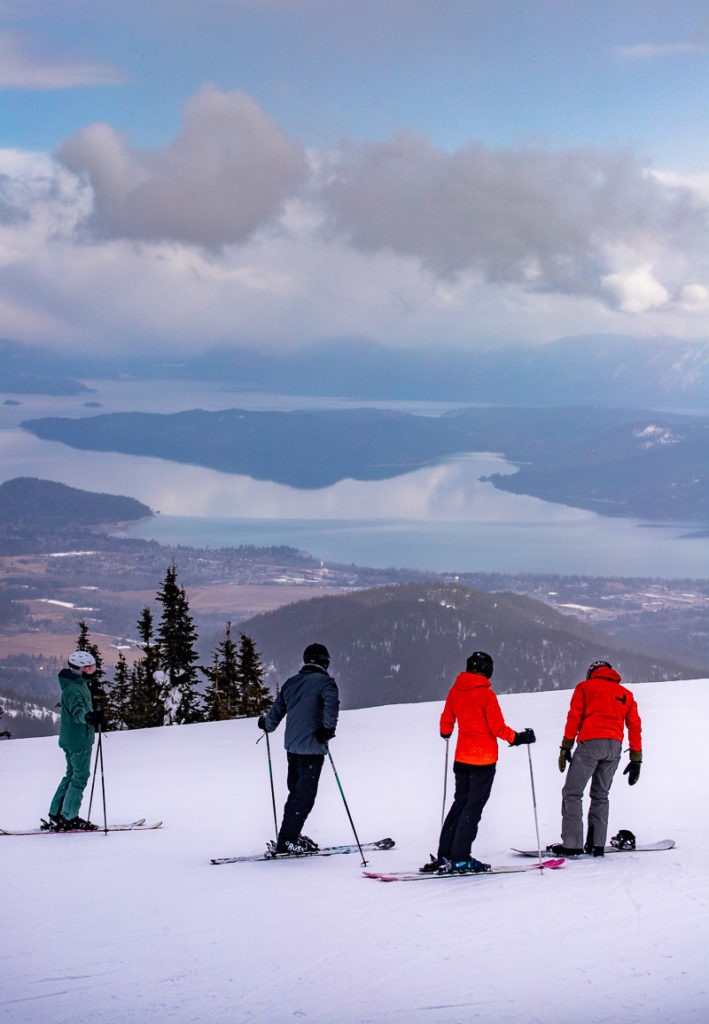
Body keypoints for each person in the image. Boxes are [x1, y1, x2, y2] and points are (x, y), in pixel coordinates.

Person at [421, 651, 536, 874]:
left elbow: (446, 721)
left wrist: (446, 732)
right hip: (483, 760)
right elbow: (498, 728)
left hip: (462, 758)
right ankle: (460, 858)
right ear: (487, 670)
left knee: (459, 804)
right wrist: (519, 738)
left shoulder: (455, 691)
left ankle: (445, 855)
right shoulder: (486, 695)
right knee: (472, 809)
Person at [547, 660, 642, 857]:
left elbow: (574, 717)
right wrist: (636, 758)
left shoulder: (584, 688)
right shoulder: (626, 694)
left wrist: (566, 746)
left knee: (572, 793)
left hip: (590, 743)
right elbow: (634, 726)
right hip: (614, 747)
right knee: (600, 795)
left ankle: (572, 845)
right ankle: (596, 844)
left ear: (591, 673)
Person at [258, 642, 339, 854]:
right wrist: (328, 730)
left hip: (292, 748)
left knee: (295, 793)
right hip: (312, 748)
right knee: (304, 797)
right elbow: (332, 705)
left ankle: (289, 835)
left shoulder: (291, 683)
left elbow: (275, 714)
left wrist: (265, 724)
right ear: (325, 662)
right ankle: (288, 840)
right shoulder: (326, 683)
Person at [47, 650, 105, 830]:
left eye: (92, 666)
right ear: (79, 669)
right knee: (80, 777)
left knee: (72, 774)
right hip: (79, 740)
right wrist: (89, 718)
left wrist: (91, 717)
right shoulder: (73, 689)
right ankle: (69, 817)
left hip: (72, 738)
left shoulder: (76, 684)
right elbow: (77, 711)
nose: (92, 670)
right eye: (88, 667)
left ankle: (57, 813)